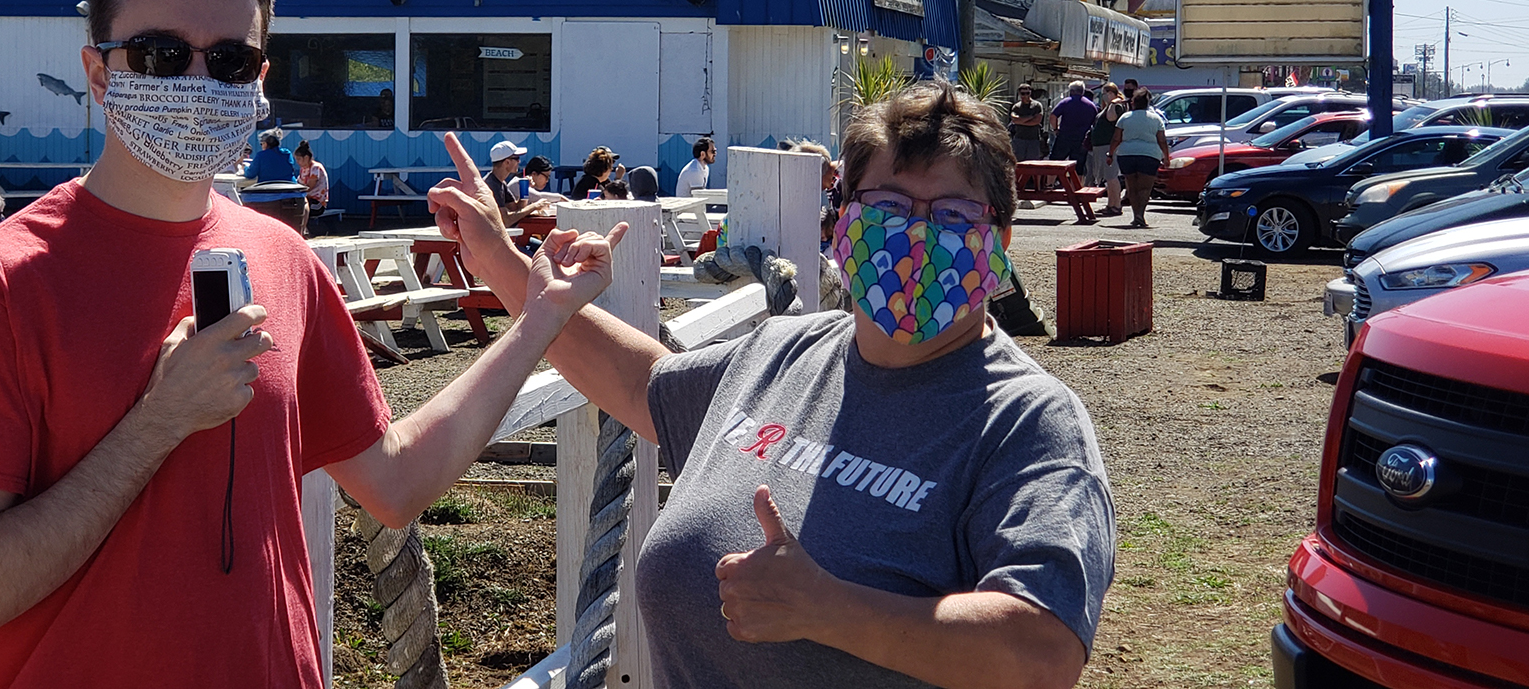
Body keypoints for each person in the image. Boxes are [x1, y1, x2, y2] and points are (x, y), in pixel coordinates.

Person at [0, 0, 624, 688]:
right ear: (100, 74)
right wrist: (160, 420)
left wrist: (540, 315)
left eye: (231, 61)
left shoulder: (281, 257)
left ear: (259, 78)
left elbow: (395, 481)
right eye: (161, 56)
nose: (199, 82)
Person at [425, 82, 1113, 689]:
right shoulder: (782, 353)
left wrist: (829, 610)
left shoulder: (1028, 421)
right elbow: (638, 382)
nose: (918, 236)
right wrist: (499, 260)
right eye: (890, 207)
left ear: (1000, 241)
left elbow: (1042, 652)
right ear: (842, 223)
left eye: (954, 217)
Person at [1107, 88, 1172, 229]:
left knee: (1132, 186)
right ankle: (1140, 215)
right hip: (1149, 155)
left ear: (1134, 103)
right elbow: (1162, 140)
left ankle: (1136, 215)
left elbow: (1116, 138)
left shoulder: (1125, 117)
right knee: (1145, 188)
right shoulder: (1156, 119)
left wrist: (1110, 154)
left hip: (1127, 154)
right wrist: (1166, 157)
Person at [486, 140, 552, 221]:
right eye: (516, 158)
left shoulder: (501, 183)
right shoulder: (491, 185)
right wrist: (534, 206)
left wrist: (525, 189)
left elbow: (517, 209)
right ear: (507, 162)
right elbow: (505, 220)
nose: (519, 161)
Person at [1085, 83, 1124, 218]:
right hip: (1100, 146)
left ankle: (1116, 205)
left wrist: (1113, 102)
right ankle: (1110, 204)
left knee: (1112, 176)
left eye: (1107, 92)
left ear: (1113, 93)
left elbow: (1112, 118)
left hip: (1108, 146)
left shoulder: (1114, 107)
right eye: (1103, 92)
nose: (1104, 95)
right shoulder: (1106, 107)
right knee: (1107, 178)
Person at [1049, 82, 1098, 166]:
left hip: (1064, 137)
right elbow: (1095, 121)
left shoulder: (1065, 102)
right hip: (1082, 139)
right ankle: (1077, 180)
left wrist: (1055, 129)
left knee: (1055, 164)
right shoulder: (1091, 105)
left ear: (1071, 91)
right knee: (1079, 167)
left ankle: (1050, 179)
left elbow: (1053, 116)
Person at [1008, 84, 1046, 162]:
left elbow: (1037, 121)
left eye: (1027, 93)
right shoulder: (1016, 107)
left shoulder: (1037, 105)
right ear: (1019, 94)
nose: (1025, 96)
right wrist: (1030, 117)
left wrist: (1021, 121)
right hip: (1019, 139)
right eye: (1023, 93)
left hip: (1033, 139)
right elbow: (1014, 118)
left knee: (1033, 164)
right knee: (1018, 163)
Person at [293, 140, 328, 209]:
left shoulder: (315, 167)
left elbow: (309, 187)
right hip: (306, 199)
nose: (297, 162)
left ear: (306, 157)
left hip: (317, 202)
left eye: (299, 159)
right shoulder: (303, 169)